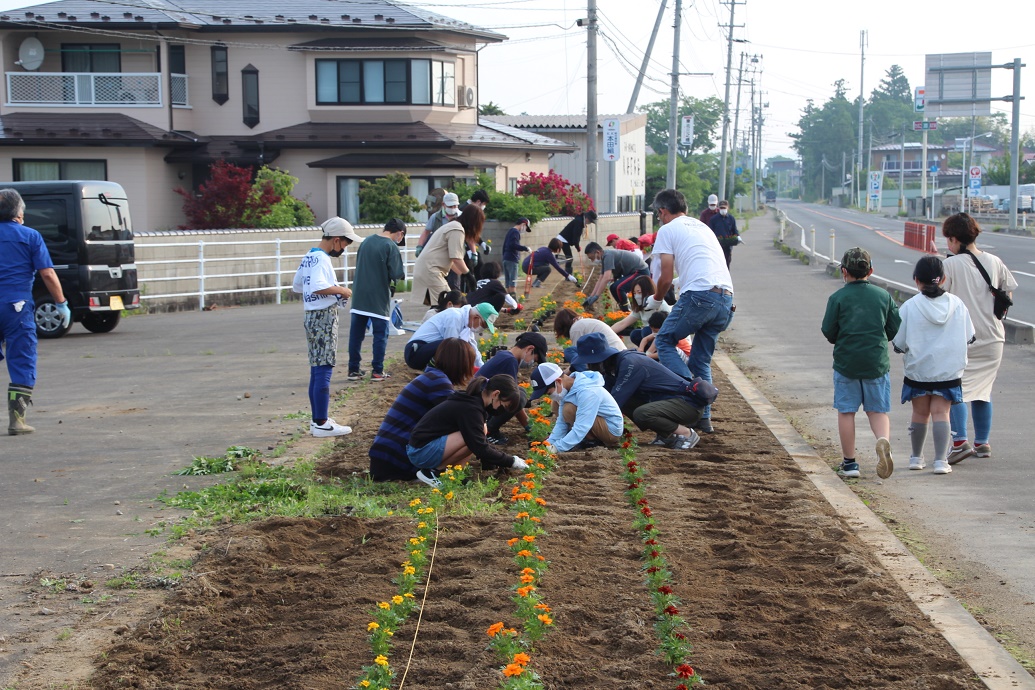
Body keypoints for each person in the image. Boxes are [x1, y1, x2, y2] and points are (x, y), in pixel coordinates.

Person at [649, 188, 734, 434]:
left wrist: (656, 299)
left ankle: (691, 391)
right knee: (700, 359)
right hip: (726, 298)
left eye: (658, 214)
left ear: (663, 212)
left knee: (664, 340)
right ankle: (703, 419)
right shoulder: (702, 226)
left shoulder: (667, 229)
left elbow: (664, 276)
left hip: (700, 295)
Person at [940, 213, 1018, 464]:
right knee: (983, 390)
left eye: (947, 240)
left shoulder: (949, 266)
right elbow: (1008, 294)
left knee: (957, 391)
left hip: (963, 339)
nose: (947, 245)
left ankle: (960, 441)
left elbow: (940, 299)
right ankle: (982, 443)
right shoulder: (994, 261)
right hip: (994, 337)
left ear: (954, 239)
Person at [821, 247, 901, 479]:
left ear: (844, 272)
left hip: (847, 363)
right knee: (877, 410)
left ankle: (850, 464)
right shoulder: (883, 296)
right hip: (876, 362)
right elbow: (894, 327)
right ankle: (882, 442)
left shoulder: (837, 298)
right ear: (871, 271)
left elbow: (829, 330)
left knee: (847, 411)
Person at [892, 256, 975, 475]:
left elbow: (899, 343)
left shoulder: (910, 306)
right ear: (943, 279)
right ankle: (940, 461)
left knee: (920, 414)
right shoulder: (957, 304)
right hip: (948, 370)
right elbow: (969, 336)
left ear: (916, 280)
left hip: (919, 369)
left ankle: (916, 458)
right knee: (942, 413)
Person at [0, 188, 70, 435]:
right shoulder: (30, 236)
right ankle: (17, 421)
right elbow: (48, 273)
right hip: (15, 307)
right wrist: (61, 303)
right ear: (18, 212)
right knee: (21, 359)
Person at [573, 332, 716, 450]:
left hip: (687, 405)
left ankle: (686, 434)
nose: (589, 366)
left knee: (641, 413)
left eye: (591, 362)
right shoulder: (612, 367)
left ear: (600, 359)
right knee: (627, 403)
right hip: (669, 403)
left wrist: (587, 427)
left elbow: (614, 402)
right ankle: (666, 434)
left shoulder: (630, 364)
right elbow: (606, 396)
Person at [291, 217, 362, 438]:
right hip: (323, 317)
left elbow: (297, 285)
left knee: (317, 368)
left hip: (311, 315)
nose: (345, 249)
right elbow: (318, 286)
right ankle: (321, 422)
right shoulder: (321, 259)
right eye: (346, 244)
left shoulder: (309, 257)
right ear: (337, 240)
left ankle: (318, 419)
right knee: (324, 368)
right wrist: (342, 290)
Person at [369, 338, 475, 482]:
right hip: (396, 458)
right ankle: (444, 475)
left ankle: (446, 473)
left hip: (385, 455)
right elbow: (459, 420)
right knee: (471, 432)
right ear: (461, 363)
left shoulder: (432, 377)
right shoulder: (439, 382)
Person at [407, 375, 529, 486]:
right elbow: (479, 447)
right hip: (420, 451)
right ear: (496, 394)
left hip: (424, 446)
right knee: (473, 437)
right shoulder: (471, 409)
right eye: (504, 405)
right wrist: (511, 461)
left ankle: (454, 473)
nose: (501, 410)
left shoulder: (474, 400)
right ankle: (433, 472)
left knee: (479, 432)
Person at [347, 218, 406, 383]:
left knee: (356, 335)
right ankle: (377, 371)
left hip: (359, 295)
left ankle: (353, 370)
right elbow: (396, 273)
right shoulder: (390, 246)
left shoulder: (366, 241)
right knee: (380, 334)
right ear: (400, 233)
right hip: (378, 297)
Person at [478, 331, 546, 444]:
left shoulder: (505, 356)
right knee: (520, 395)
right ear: (529, 349)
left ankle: (488, 427)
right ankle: (489, 431)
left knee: (520, 393)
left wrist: (527, 426)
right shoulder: (509, 361)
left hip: (482, 403)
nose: (533, 363)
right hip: (482, 407)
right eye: (535, 359)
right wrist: (529, 426)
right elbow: (514, 399)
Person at [411, 204, 484, 305]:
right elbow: (456, 257)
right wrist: (469, 275)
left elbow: (452, 260)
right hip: (431, 270)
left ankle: (430, 320)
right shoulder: (457, 229)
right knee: (447, 304)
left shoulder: (452, 225)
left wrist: (463, 273)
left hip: (425, 268)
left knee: (440, 305)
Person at [544, 369, 624, 452]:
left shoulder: (588, 391)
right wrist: (548, 444)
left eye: (549, 393)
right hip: (596, 422)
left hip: (611, 429)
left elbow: (582, 426)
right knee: (560, 405)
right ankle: (583, 438)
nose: (550, 396)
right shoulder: (567, 389)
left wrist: (557, 448)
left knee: (569, 409)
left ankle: (592, 441)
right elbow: (561, 422)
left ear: (558, 382)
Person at [405, 301, 497, 370]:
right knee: (454, 346)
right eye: (484, 325)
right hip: (415, 353)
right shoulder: (455, 317)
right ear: (476, 317)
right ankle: (433, 373)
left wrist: (483, 370)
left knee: (462, 347)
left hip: (427, 351)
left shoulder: (467, 326)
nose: (483, 329)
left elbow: (474, 351)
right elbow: (451, 350)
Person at [582, 242, 649, 311]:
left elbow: (606, 278)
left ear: (597, 252)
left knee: (619, 287)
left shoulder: (608, 256)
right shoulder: (605, 257)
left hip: (640, 272)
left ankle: (626, 309)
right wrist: (591, 296)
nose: (592, 261)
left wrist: (596, 296)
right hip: (632, 273)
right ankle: (623, 307)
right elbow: (601, 278)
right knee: (613, 287)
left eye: (592, 258)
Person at [553, 308, 627, 370]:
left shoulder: (576, 328)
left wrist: (564, 375)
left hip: (611, 356)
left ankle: (588, 376)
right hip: (618, 353)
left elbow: (579, 357)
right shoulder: (583, 322)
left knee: (569, 351)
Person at [608, 275, 671, 341]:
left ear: (648, 291)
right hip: (651, 336)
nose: (636, 296)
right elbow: (623, 323)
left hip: (663, 336)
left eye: (639, 292)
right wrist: (605, 333)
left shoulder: (660, 305)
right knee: (635, 334)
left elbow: (668, 329)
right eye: (634, 293)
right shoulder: (640, 307)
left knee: (646, 331)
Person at [415, 191, 460, 257]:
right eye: (450, 206)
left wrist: (473, 252)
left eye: (455, 206)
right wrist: (419, 246)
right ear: (443, 204)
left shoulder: (462, 216)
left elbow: (469, 235)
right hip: (439, 252)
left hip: (457, 252)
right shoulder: (435, 217)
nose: (453, 208)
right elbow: (426, 232)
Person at [502, 217, 532, 296]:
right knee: (513, 281)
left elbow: (505, 245)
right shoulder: (515, 232)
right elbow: (513, 245)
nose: (525, 230)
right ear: (523, 224)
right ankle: (514, 301)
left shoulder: (510, 231)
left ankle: (509, 300)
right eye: (526, 227)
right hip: (512, 259)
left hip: (506, 258)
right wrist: (525, 248)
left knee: (508, 282)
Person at [707, 200, 740, 268]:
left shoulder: (731, 218)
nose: (723, 209)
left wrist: (738, 237)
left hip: (728, 245)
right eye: (721, 208)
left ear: (728, 208)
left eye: (724, 208)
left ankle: (726, 277)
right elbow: (710, 232)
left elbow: (734, 230)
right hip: (717, 245)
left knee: (727, 261)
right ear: (718, 208)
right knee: (717, 262)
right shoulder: (714, 219)